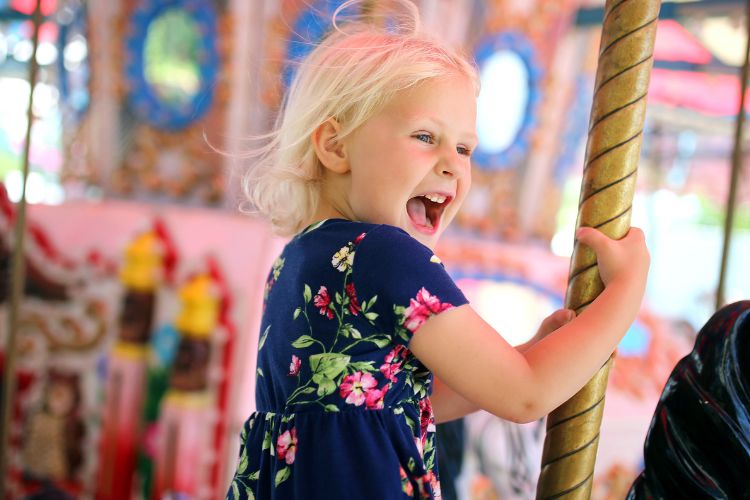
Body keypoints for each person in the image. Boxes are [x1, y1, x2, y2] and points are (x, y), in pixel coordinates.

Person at [227, 1, 650, 498]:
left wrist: (524, 352)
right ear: (336, 147)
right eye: (426, 136)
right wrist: (626, 291)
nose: (452, 165)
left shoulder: (298, 259)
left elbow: (402, 399)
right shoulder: (387, 255)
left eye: (465, 148)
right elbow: (526, 394)